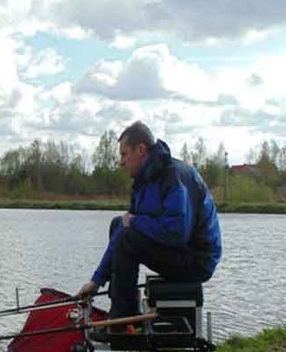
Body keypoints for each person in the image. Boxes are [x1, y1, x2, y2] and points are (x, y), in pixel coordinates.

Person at [77, 121, 222, 323]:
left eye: (124, 154)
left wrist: (135, 222)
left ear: (141, 150)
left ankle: (124, 318)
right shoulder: (144, 181)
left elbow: (177, 233)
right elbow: (125, 227)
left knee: (128, 235)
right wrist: (96, 281)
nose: (121, 162)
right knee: (118, 225)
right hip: (180, 254)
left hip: (198, 260)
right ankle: (120, 309)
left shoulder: (174, 177)